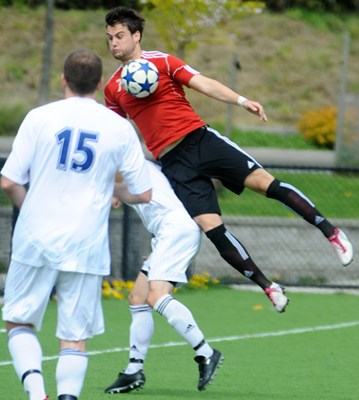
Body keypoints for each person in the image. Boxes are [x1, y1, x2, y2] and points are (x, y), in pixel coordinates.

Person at [104, 7, 354, 314]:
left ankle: (331, 233)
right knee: (212, 228)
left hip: (201, 141)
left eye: (119, 36)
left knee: (265, 184)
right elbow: (115, 137)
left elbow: (204, 83)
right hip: (174, 164)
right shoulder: (113, 88)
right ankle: (269, 286)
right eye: (109, 38)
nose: (114, 43)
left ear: (136, 35)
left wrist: (241, 100)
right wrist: (116, 182)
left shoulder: (163, 61)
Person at [1, 49, 152, 400]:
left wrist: (31, 209)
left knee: (19, 322)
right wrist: (111, 188)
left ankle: (37, 394)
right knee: (74, 336)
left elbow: (9, 182)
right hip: (86, 242)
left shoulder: (39, 117)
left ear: (63, 80)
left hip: (35, 236)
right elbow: (143, 193)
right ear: (100, 84)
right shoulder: (119, 127)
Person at [105, 160, 223, 394]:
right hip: (167, 234)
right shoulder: (133, 165)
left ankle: (206, 352)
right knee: (138, 297)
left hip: (175, 231)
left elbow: (116, 185)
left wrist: (109, 190)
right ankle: (133, 370)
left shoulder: (127, 162)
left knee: (156, 296)